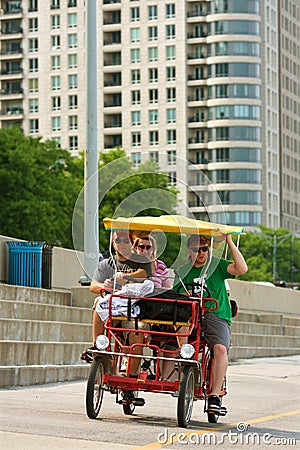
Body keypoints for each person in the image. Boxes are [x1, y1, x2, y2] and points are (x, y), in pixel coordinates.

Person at [173, 233, 248, 414]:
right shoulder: (182, 270)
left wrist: (229, 241)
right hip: (191, 314)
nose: (201, 253)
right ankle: (186, 361)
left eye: (204, 249)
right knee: (178, 324)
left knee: (220, 349)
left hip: (215, 313)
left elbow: (241, 268)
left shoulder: (217, 265)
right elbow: (176, 295)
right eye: (196, 250)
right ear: (189, 252)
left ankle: (214, 395)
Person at [87, 229, 152, 376]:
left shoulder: (141, 260)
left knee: (137, 336)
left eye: (126, 241)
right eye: (118, 241)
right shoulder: (106, 264)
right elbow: (93, 286)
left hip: (134, 309)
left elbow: (144, 274)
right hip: (113, 308)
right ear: (113, 243)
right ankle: (98, 347)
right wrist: (105, 286)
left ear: (131, 243)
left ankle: (132, 377)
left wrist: (124, 276)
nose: (122, 244)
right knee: (99, 301)